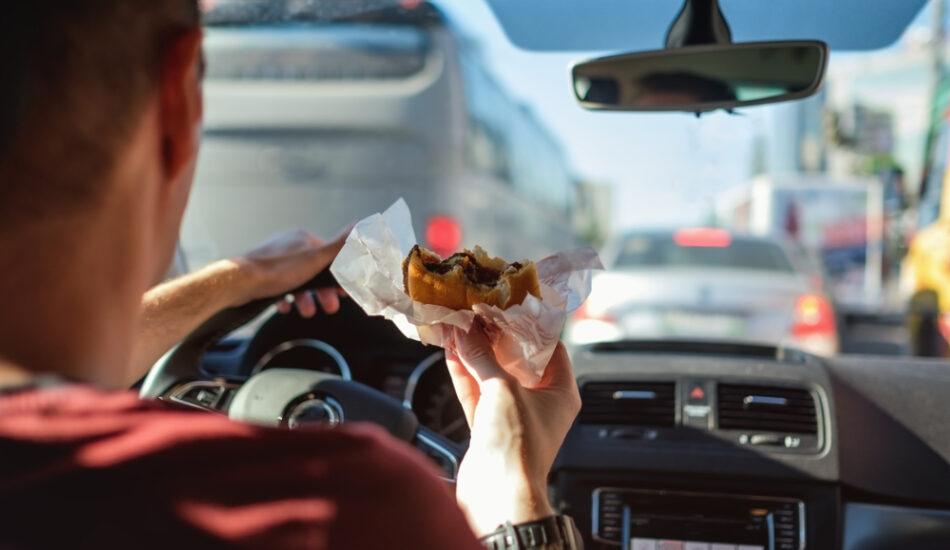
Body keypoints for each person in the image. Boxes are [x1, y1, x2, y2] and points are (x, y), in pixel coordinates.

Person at [0, 1, 582, 548]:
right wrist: (516, 493)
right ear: (177, 102)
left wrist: (238, 279)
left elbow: (59, 377)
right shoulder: (342, 505)